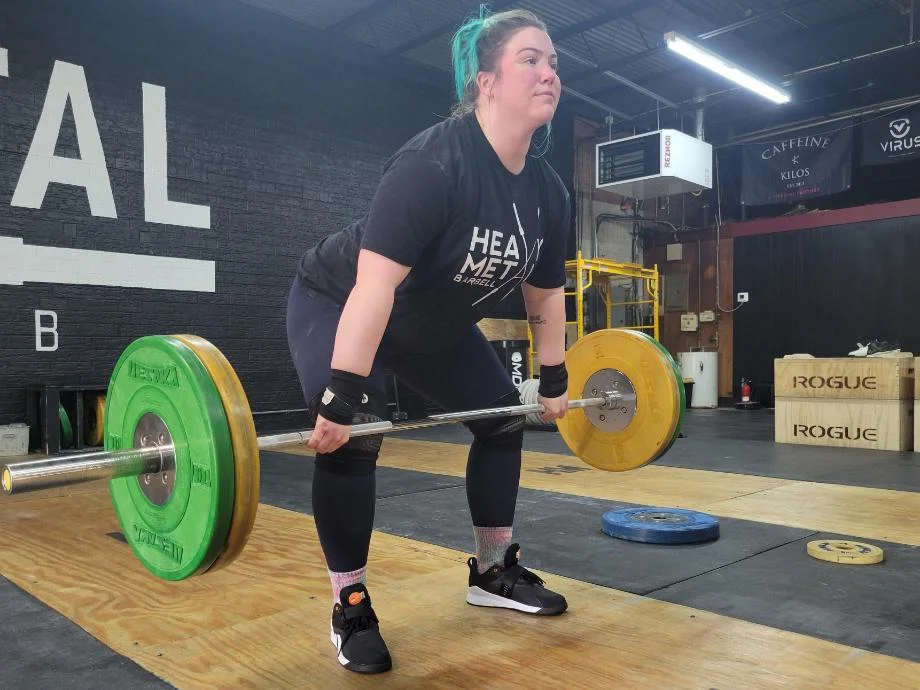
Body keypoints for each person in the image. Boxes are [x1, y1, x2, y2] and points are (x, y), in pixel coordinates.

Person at [286, 7, 571, 675]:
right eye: (531, 59)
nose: (550, 73)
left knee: (502, 421)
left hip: (430, 326)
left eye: (554, 62)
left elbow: (545, 294)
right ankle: (349, 602)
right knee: (356, 434)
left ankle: (494, 571)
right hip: (341, 299)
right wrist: (342, 393)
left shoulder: (549, 194)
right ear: (486, 81)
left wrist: (553, 378)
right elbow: (373, 288)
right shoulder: (433, 164)